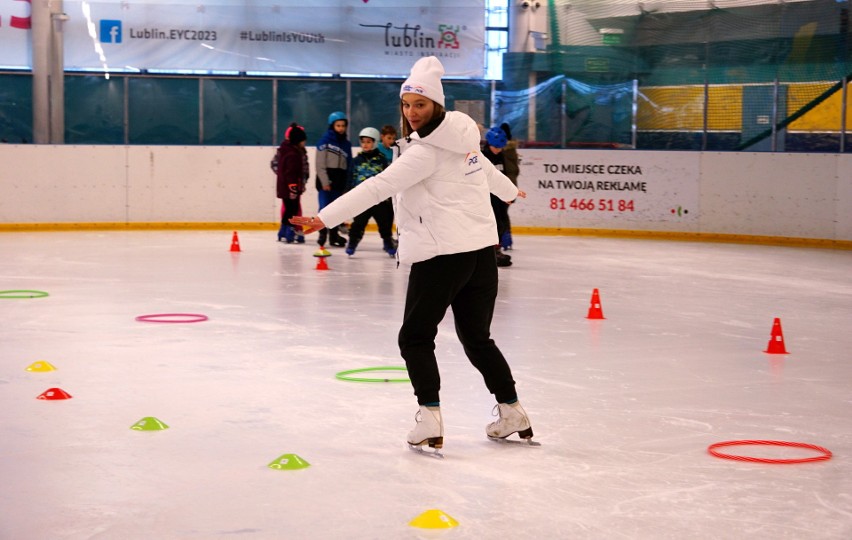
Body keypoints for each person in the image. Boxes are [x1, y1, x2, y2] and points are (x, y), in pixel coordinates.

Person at [291, 56, 534, 454]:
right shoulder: (465, 140)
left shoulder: (424, 153)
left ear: (436, 105)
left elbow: (376, 188)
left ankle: (430, 418)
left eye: (419, 104)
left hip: (441, 253)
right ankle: (512, 410)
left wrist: (324, 218)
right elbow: (485, 170)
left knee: (415, 337)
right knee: (476, 337)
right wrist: (508, 190)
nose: (411, 112)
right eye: (406, 104)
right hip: (478, 255)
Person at [345, 127, 397, 257]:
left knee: (384, 224)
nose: (365, 145)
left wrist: (388, 194)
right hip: (362, 199)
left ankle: (388, 243)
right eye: (363, 142)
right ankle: (352, 243)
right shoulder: (356, 160)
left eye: (368, 142)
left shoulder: (381, 160)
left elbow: (387, 177)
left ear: (374, 143)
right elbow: (351, 177)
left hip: (379, 199)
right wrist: (348, 192)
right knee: (358, 224)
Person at [314, 111, 352, 247]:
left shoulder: (346, 144)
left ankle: (334, 236)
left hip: (339, 183)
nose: (341, 128)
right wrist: (325, 182)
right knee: (324, 209)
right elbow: (320, 165)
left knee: (336, 210)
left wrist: (347, 185)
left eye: (343, 125)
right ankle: (322, 234)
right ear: (332, 126)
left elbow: (349, 166)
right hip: (326, 183)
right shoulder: (324, 142)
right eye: (338, 125)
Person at [481, 126, 513, 267]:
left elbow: (503, 176)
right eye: (496, 147)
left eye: (501, 147)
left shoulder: (500, 156)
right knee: (493, 223)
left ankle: (496, 250)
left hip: (498, 196)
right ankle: (490, 252)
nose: (498, 150)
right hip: (486, 196)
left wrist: (507, 193)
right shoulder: (483, 157)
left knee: (501, 222)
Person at [275, 123, 308, 243]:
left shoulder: (286, 151)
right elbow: (291, 173)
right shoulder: (294, 155)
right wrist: (293, 189)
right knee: (292, 211)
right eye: (303, 141)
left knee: (289, 210)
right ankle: (289, 231)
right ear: (298, 141)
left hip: (284, 187)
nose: (304, 143)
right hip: (291, 189)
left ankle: (282, 231)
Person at [499, 122, 520, 250]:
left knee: (500, 213)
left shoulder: (503, 151)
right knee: (503, 213)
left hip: (505, 188)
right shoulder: (512, 150)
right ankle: (506, 238)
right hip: (511, 187)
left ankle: (504, 238)